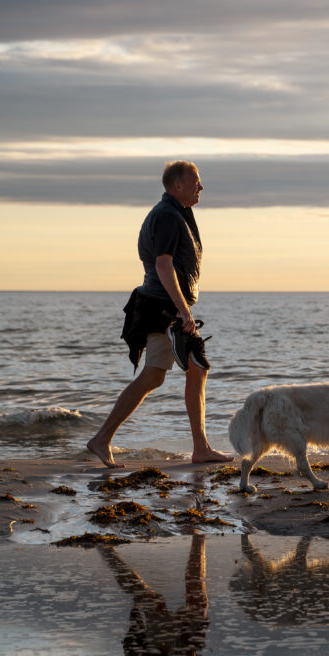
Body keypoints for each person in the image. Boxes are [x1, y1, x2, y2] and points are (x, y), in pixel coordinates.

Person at [87, 160, 233, 468]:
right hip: (161, 307)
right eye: (196, 182)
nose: (201, 187)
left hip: (164, 306)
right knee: (171, 373)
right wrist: (183, 310)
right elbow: (163, 265)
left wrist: (183, 309)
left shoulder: (175, 212)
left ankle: (199, 447)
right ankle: (103, 439)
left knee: (181, 372)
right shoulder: (167, 216)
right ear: (177, 186)